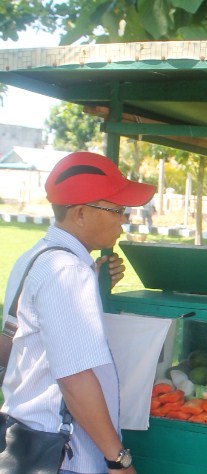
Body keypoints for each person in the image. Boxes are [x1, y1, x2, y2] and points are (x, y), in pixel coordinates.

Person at [1, 151, 155, 473]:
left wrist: (93, 281)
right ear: (81, 214)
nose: (123, 221)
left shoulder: (37, 257)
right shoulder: (67, 272)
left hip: (28, 440)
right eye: (117, 210)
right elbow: (75, 380)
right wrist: (118, 458)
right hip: (63, 455)